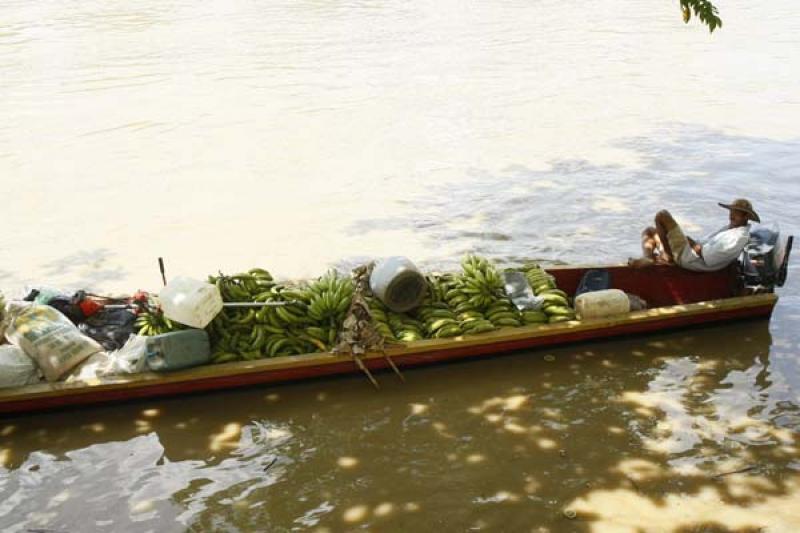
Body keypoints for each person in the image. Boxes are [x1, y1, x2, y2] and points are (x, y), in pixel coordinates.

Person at [629, 198, 760, 272]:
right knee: (650, 232)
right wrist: (689, 241)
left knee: (662, 216)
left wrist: (691, 243)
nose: (731, 214)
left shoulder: (739, 237)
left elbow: (709, 257)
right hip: (691, 252)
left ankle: (668, 258)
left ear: (746, 216)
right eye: (731, 211)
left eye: (736, 212)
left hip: (693, 259)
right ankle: (649, 257)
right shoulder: (729, 228)